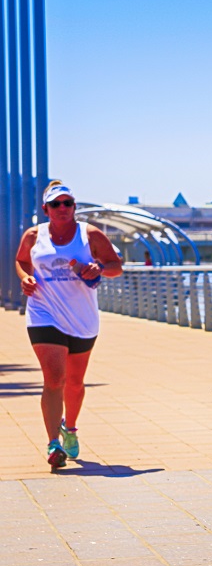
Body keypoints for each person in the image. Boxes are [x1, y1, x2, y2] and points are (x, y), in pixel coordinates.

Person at [15, 181, 123, 469]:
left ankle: (70, 428)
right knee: (54, 379)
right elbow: (22, 260)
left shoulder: (90, 235)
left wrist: (99, 267)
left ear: (74, 207)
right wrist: (25, 277)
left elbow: (116, 266)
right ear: (46, 209)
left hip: (82, 318)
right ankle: (53, 444)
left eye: (68, 203)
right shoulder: (34, 236)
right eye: (56, 204)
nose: (62, 208)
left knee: (74, 383)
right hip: (44, 312)